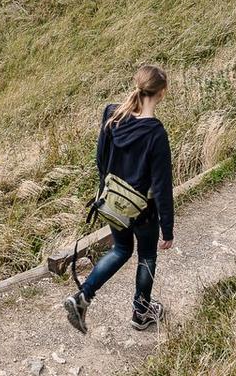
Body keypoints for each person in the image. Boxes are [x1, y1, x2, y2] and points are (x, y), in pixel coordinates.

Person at [62, 64, 176, 336]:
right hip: (143, 211)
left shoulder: (112, 114)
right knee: (146, 255)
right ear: (162, 93)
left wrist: (108, 190)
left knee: (121, 249)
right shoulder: (156, 134)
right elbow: (161, 187)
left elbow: (100, 161)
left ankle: (82, 297)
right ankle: (140, 312)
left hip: (113, 201)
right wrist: (168, 228)